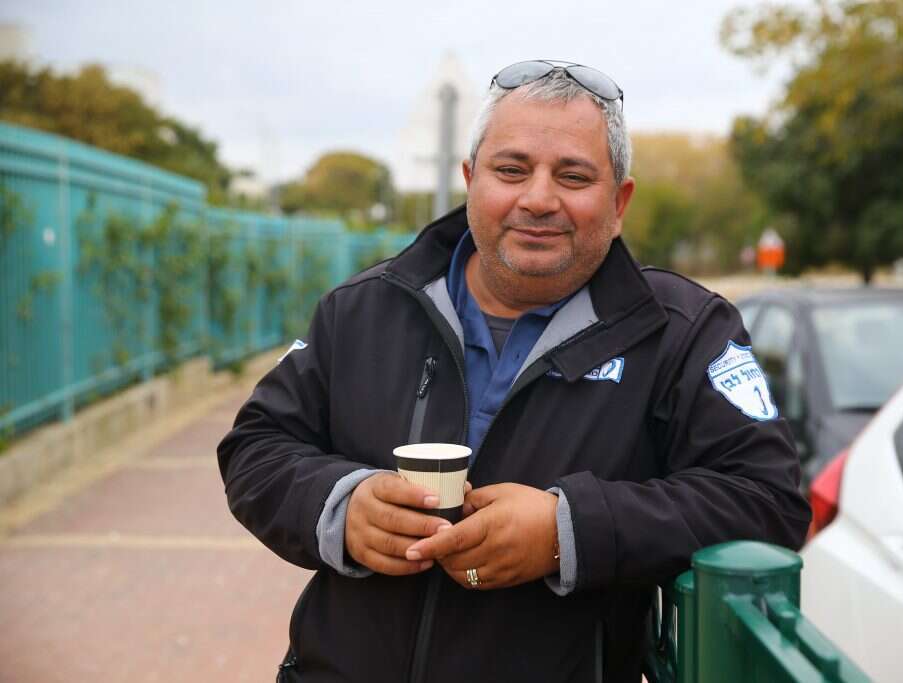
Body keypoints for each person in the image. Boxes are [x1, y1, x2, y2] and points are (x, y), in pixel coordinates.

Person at [218, 59, 810, 683]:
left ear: (619, 203)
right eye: (511, 170)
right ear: (470, 179)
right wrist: (342, 506)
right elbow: (255, 447)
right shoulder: (363, 307)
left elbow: (767, 501)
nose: (538, 199)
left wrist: (567, 531)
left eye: (573, 176)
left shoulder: (683, 333)